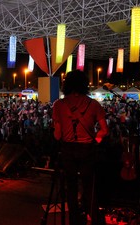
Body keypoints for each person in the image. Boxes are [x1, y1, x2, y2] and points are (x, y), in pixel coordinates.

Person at [52, 70, 109, 225]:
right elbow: (105, 130)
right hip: (87, 149)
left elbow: (57, 135)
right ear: (84, 84)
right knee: (89, 185)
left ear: (66, 84)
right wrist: (95, 139)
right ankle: (94, 218)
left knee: (71, 187)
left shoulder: (58, 105)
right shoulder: (94, 104)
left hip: (68, 149)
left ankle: (75, 221)